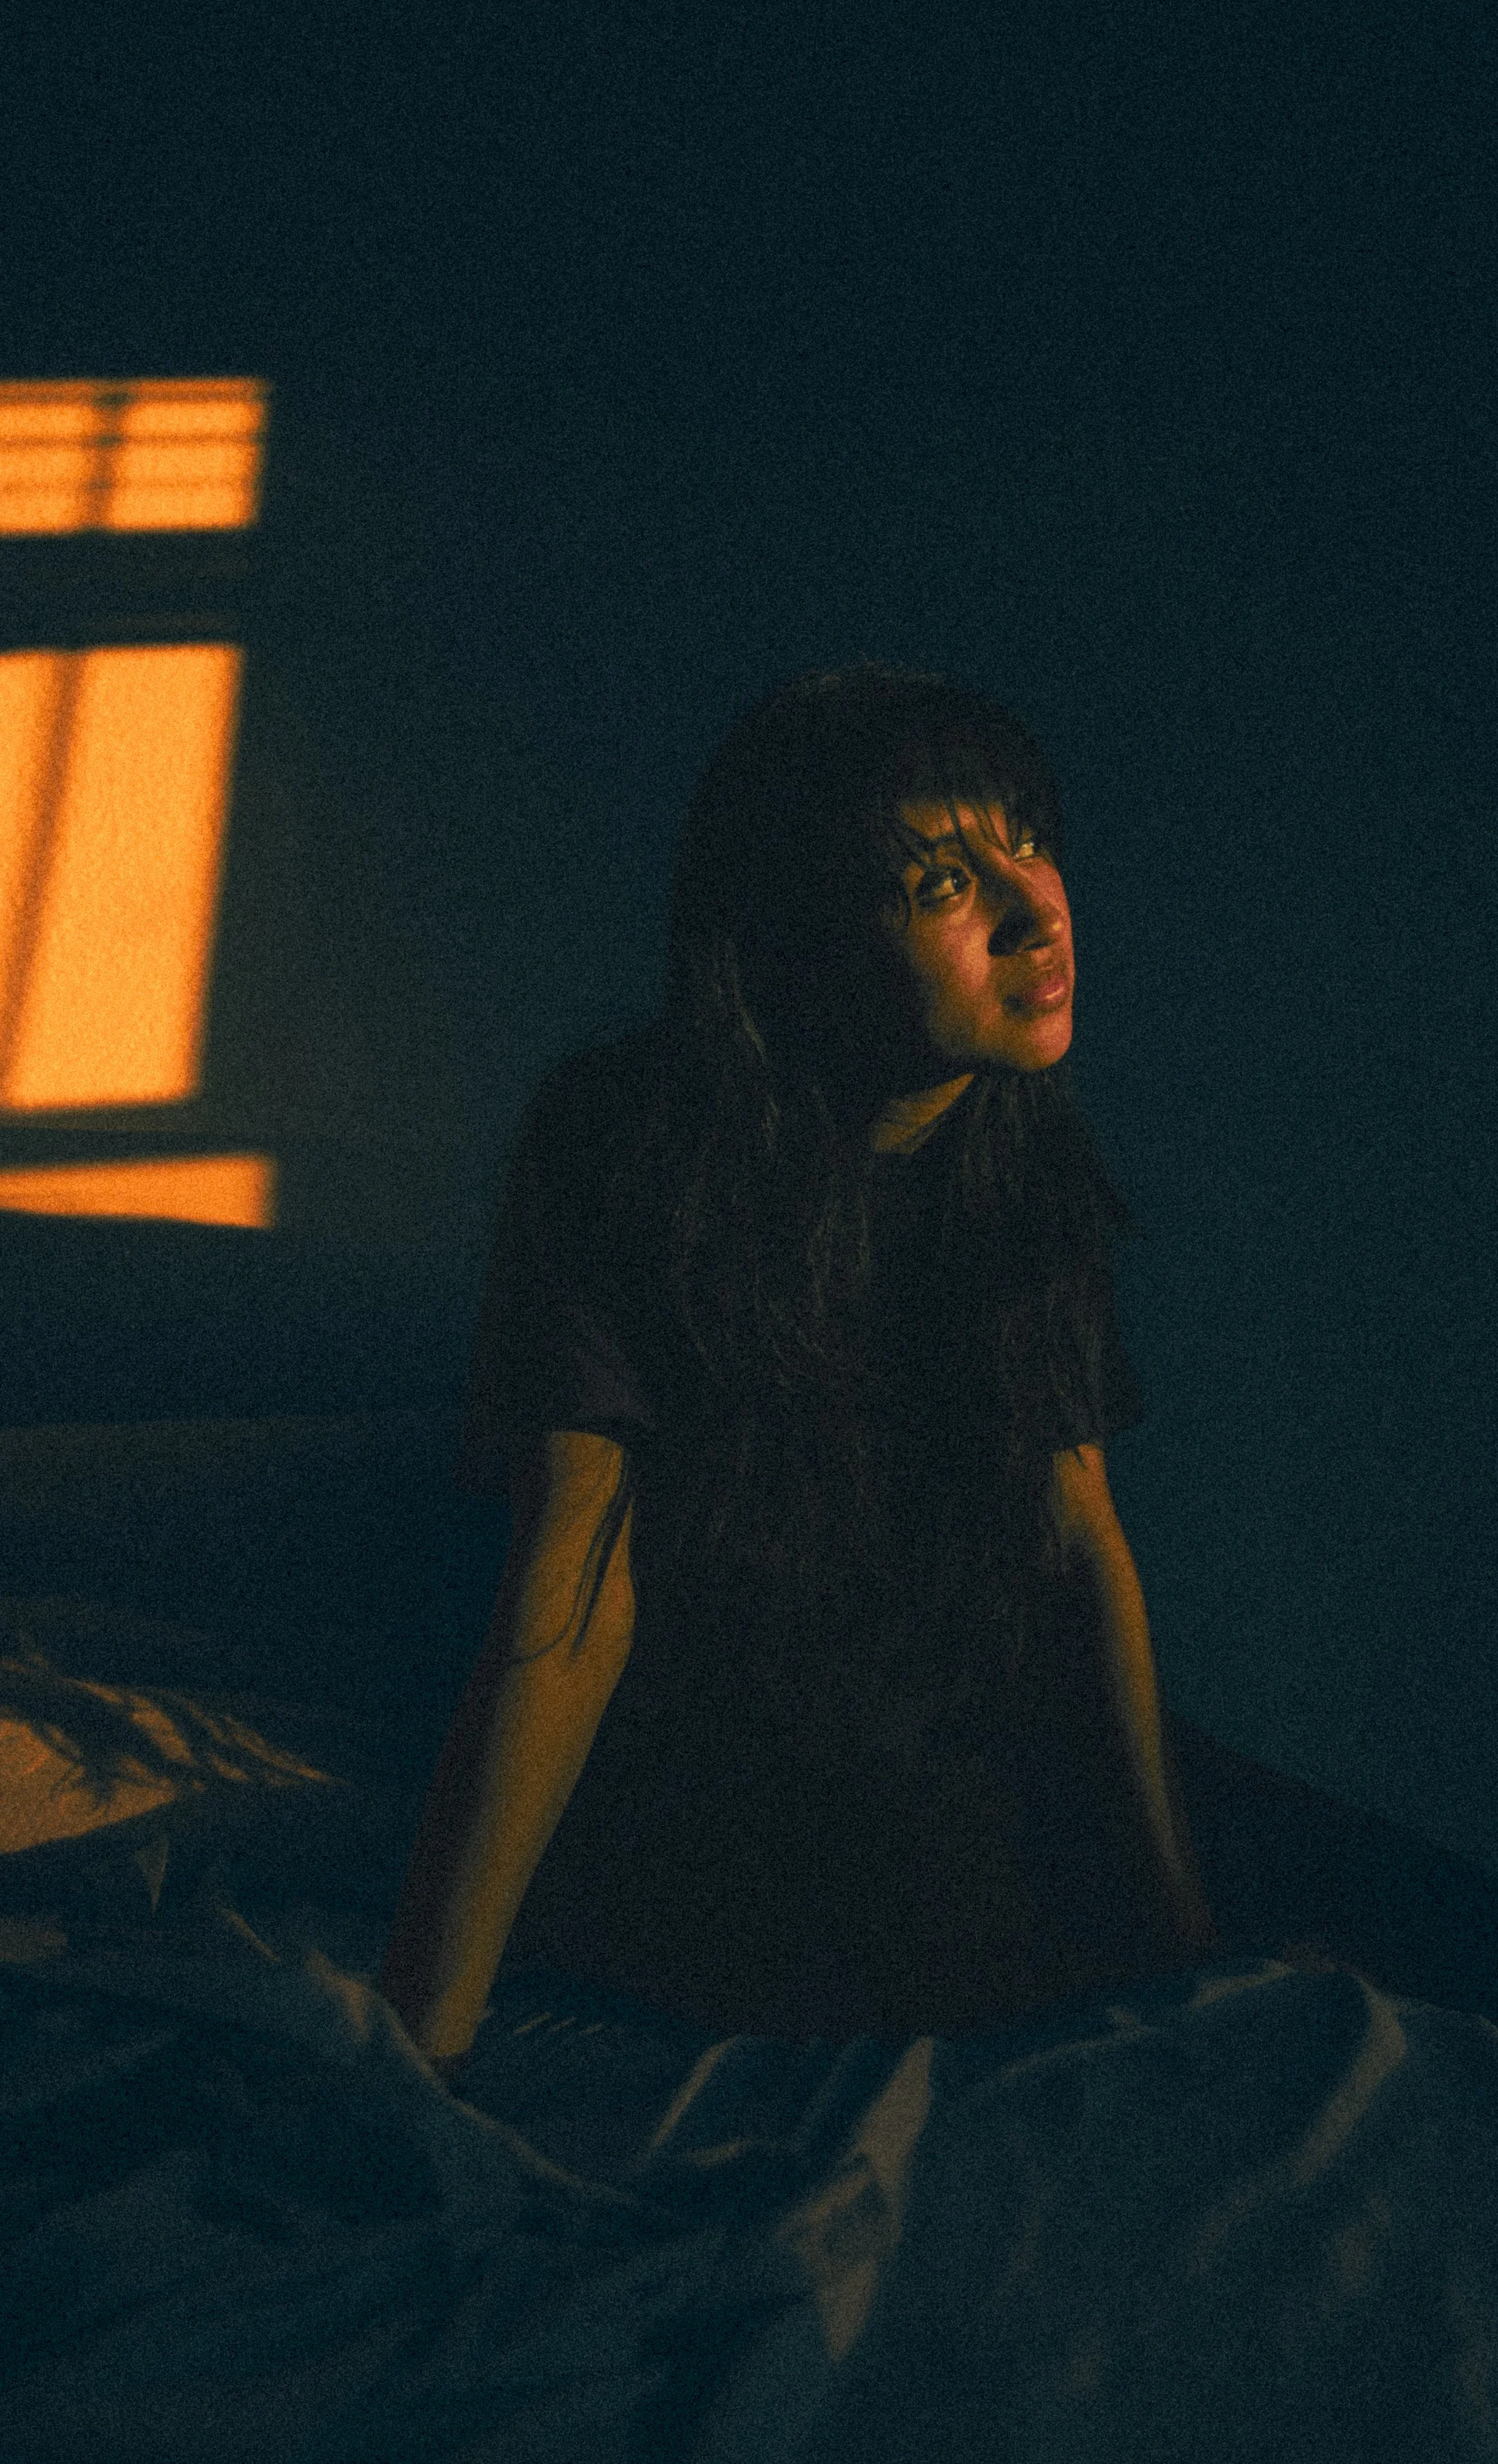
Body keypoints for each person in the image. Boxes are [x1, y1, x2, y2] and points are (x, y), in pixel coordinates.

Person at [376, 660, 1221, 2077]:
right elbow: (573, 1586)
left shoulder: (1021, 1162)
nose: (1035, 909)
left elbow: (1079, 1549)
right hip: (745, 1777)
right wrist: (416, 2037)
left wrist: (1191, 1943)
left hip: (970, 1720)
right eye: (941, 881)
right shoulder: (626, 1140)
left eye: (1024, 832)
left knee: (1459, 1934)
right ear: (795, 938)